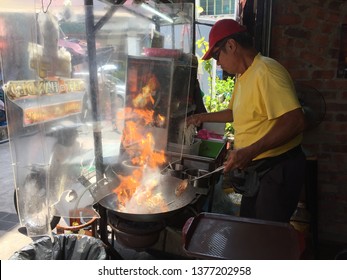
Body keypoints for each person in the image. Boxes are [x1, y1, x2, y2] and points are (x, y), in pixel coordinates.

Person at [187, 19, 307, 223]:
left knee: (267, 238)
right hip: (258, 170)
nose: (218, 63)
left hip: (277, 170)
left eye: (217, 55)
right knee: (251, 228)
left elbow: (295, 121)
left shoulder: (266, 71)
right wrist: (200, 117)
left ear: (231, 45)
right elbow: (234, 112)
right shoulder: (243, 76)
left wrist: (249, 151)